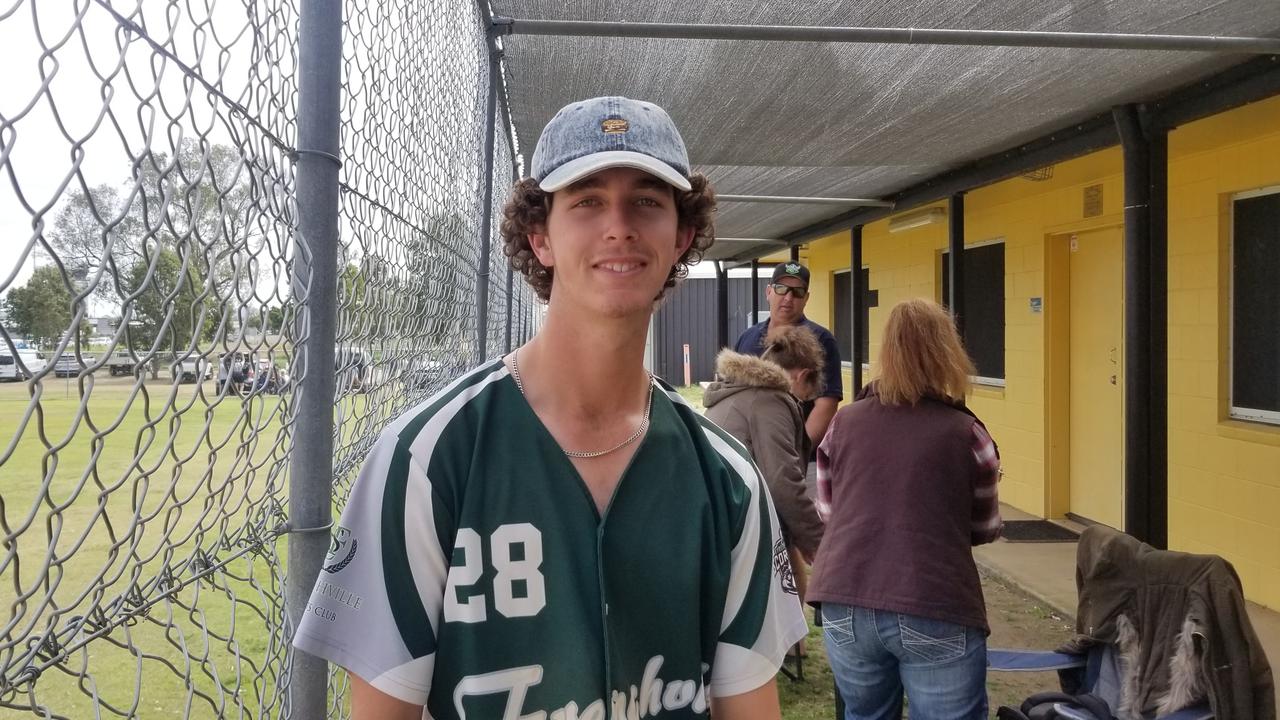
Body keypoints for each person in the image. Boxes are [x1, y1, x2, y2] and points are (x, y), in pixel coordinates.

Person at [293, 96, 808, 720]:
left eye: (647, 199)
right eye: (587, 199)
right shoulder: (428, 456)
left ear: (683, 236)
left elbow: (748, 704)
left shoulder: (727, 478)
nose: (618, 224)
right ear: (540, 237)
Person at [807, 298, 1003, 720]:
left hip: (845, 598)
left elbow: (829, 511)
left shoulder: (843, 423)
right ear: (948, 352)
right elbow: (984, 526)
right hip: (935, 599)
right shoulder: (968, 433)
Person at [703, 324, 825, 573]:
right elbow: (783, 482)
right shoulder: (771, 400)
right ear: (801, 376)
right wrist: (819, 543)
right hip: (737, 532)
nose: (801, 402)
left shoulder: (737, 393)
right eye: (805, 397)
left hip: (716, 527)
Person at [734, 262, 842, 456]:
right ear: (769, 292)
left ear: (806, 298)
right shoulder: (747, 338)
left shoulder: (821, 340)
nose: (788, 297)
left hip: (793, 456)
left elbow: (826, 405)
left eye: (798, 291)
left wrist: (797, 452)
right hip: (746, 454)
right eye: (781, 289)